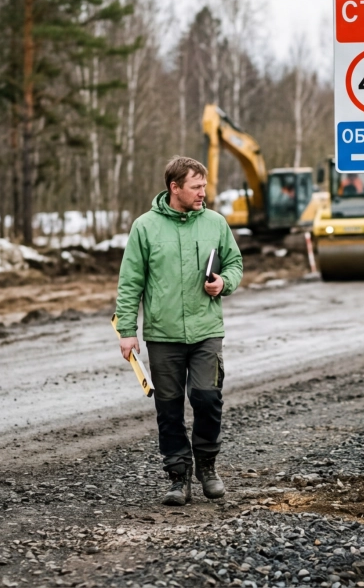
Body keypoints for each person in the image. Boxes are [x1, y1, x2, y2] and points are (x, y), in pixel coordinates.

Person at [115, 156, 244, 506]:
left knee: (207, 397)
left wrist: (224, 282)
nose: (203, 192)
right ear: (175, 188)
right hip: (162, 334)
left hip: (206, 329)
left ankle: (207, 466)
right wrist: (127, 330)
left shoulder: (216, 223)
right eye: (196, 187)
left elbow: (234, 263)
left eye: (204, 186)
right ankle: (178, 476)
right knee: (168, 408)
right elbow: (130, 282)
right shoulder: (145, 227)